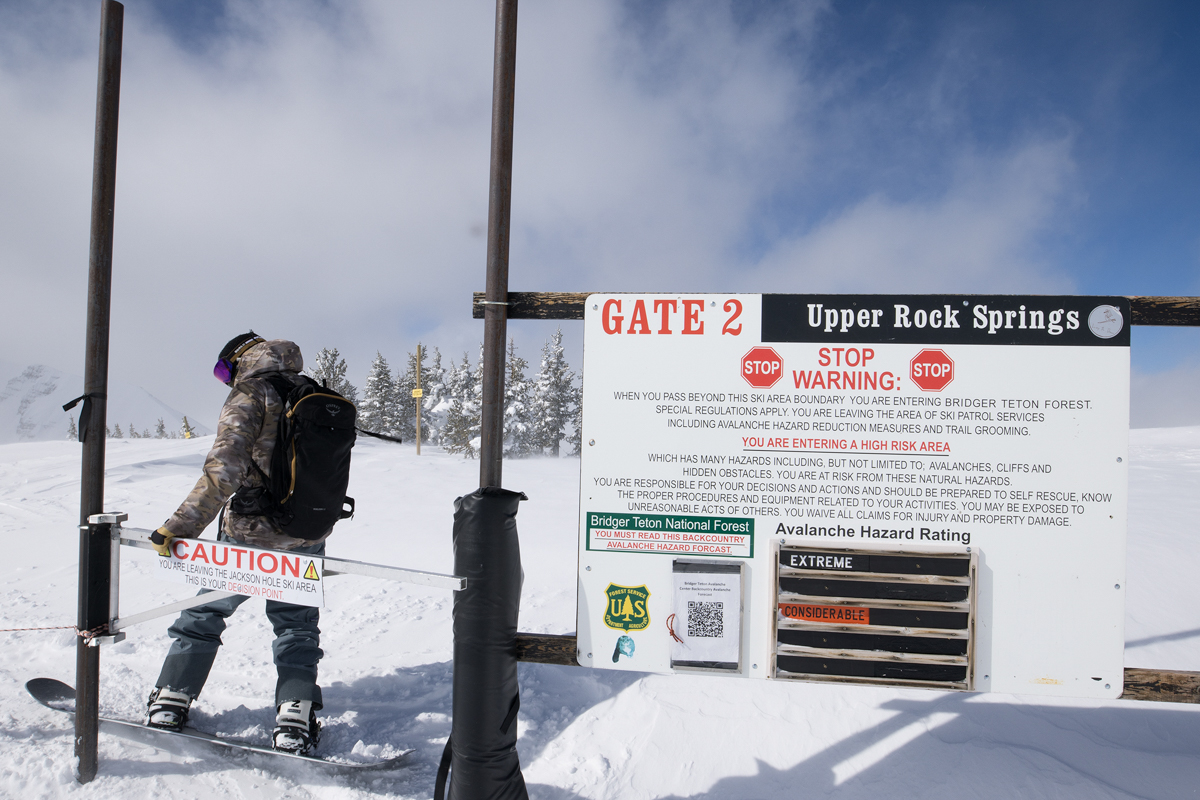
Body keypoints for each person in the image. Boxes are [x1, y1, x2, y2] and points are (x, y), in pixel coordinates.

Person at [145, 332, 332, 754]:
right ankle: (296, 713)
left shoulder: (252, 392)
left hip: (249, 532)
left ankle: (173, 694)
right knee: (297, 625)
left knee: (206, 610)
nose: (225, 381)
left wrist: (182, 525)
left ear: (239, 361)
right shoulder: (314, 393)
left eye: (223, 372)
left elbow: (225, 468)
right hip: (307, 534)